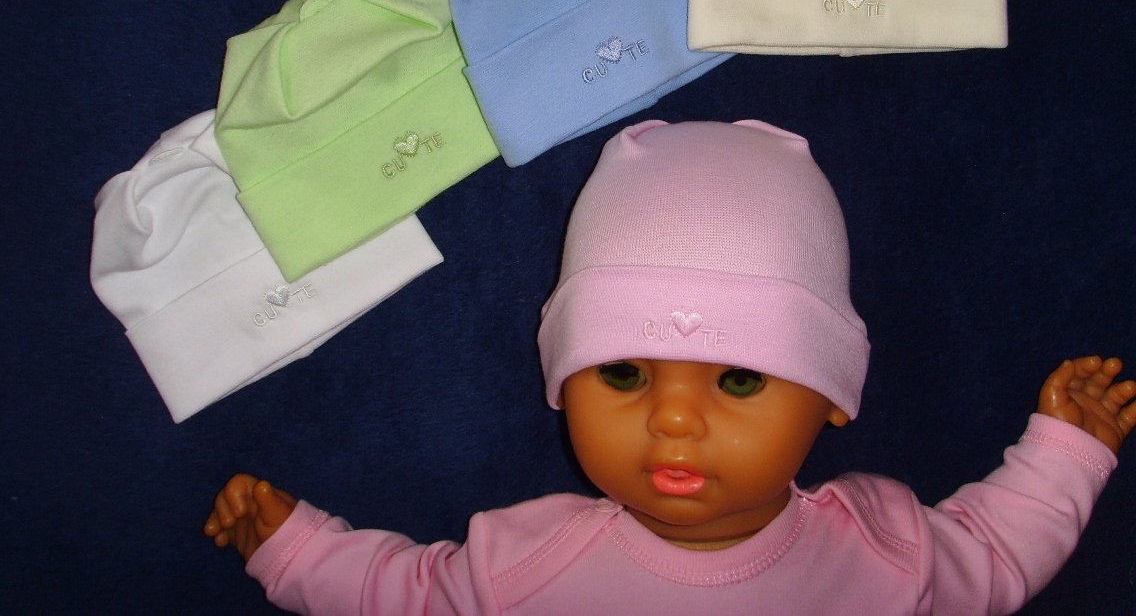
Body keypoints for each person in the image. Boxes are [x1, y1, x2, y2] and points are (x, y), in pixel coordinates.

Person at [204, 120, 1134, 615]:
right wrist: (296, 552)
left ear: (833, 395)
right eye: (622, 374)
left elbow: (994, 559)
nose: (674, 420)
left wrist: (1066, 453)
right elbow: (403, 595)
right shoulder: (524, 570)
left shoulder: (889, 557)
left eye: (738, 378)